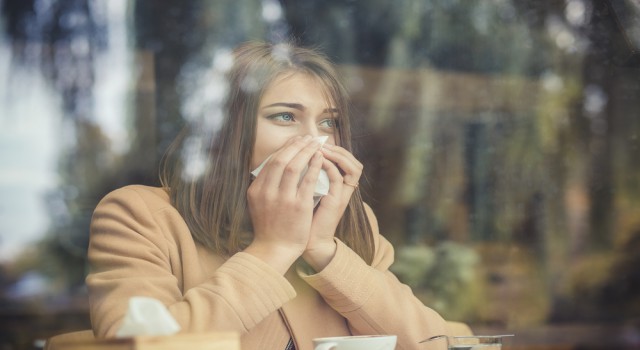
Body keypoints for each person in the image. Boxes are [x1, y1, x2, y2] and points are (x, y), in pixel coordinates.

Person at [86, 41, 464, 350]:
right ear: (225, 133)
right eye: (285, 116)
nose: (313, 140)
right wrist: (274, 247)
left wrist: (323, 248)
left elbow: (434, 343)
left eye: (328, 122)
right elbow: (141, 344)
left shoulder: (353, 222)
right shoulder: (140, 214)